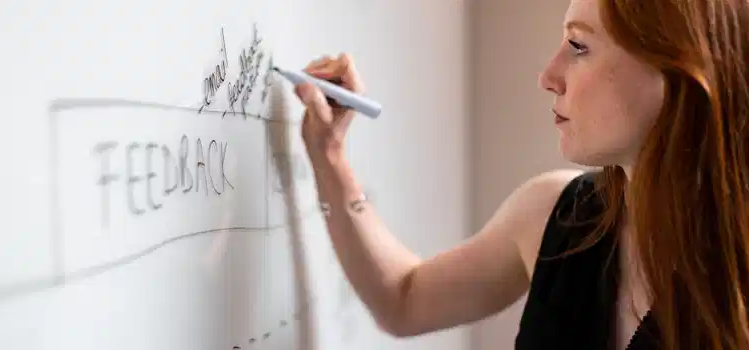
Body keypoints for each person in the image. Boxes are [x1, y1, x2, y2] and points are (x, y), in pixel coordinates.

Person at [291, 0, 749, 349]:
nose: (548, 75)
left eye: (579, 46)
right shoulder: (556, 215)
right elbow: (403, 299)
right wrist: (329, 156)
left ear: (679, 70)